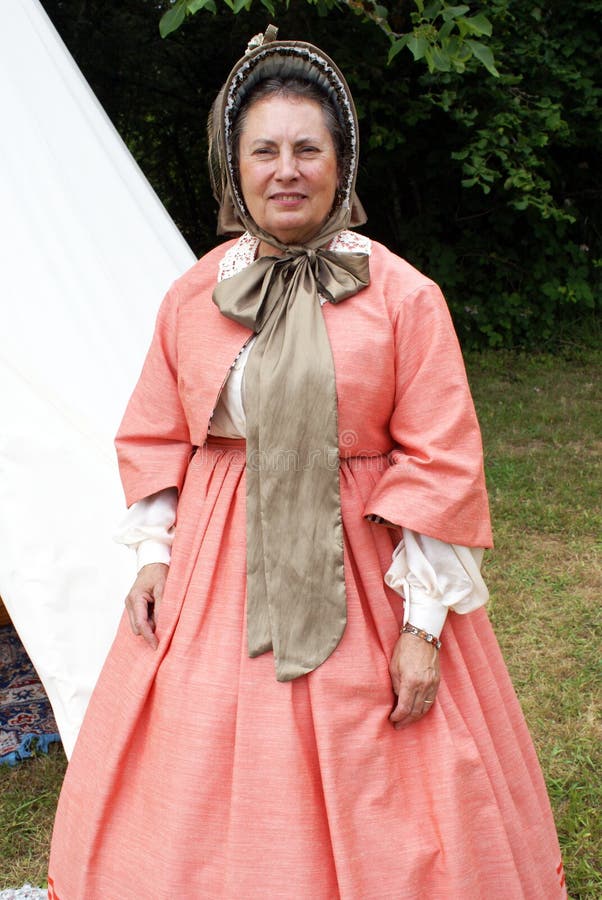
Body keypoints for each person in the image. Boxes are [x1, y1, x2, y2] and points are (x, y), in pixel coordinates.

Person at [48, 28, 566, 899]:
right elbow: (154, 432)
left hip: (364, 573)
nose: (285, 169)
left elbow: (440, 462)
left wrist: (421, 630)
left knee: (388, 779)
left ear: (342, 161)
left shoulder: (406, 298)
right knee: (198, 771)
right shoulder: (193, 293)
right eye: (264, 150)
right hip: (218, 577)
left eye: (306, 148)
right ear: (234, 166)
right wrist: (152, 555)